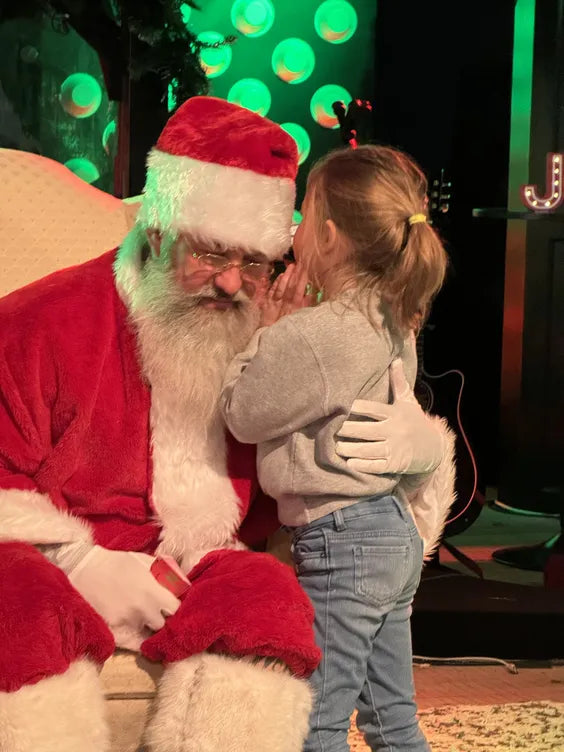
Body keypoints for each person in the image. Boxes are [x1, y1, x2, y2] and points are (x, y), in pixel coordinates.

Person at [0, 97, 449, 752]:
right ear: (158, 231)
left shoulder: (280, 329)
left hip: (203, 564)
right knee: (21, 607)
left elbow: (316, 470)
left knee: (266, 598)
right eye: (211, 255)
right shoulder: (41, 323)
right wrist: (78, 562)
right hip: (65, 557)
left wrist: (423, 451)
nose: (235, 283)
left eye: (257, 261)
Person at [220, 144, 455, 751]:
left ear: (326, 235)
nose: (293, 228)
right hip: (391, 535)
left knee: (315, 721)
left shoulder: (313, 335)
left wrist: (264, 334)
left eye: (303, 212)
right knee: (392, 719)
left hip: (343, 541)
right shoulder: (392, 317)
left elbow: (241, 414)